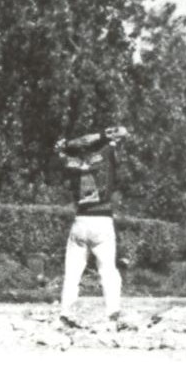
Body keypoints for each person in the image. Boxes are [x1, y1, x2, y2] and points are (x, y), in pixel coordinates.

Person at [56, 122, 130, 320]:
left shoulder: (71, 161)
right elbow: (123, 132)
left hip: (80, 219)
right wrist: (105, 136)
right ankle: (112, 311)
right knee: (108, 270)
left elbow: (71, 146)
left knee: (72, 272)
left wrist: (67, 145)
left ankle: (66, 312)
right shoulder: (106, 156)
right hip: (103, 218)